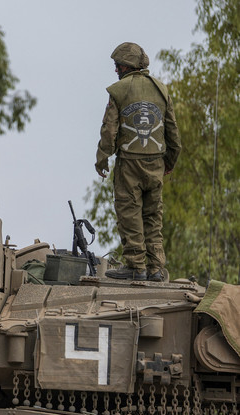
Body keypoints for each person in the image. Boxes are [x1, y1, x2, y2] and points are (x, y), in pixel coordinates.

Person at [95, 42, 182, 281]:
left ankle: (135, 265)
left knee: (129, 212)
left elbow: (109, 130)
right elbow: (172, 131)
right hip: (156, 163)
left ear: (126, 66)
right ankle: (155, 267)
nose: (115, 70)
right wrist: (170, 161)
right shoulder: (161, 90)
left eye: (117, 65)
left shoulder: (119, 90)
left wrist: (102, 159)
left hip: (130, 163)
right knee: (153, 217)